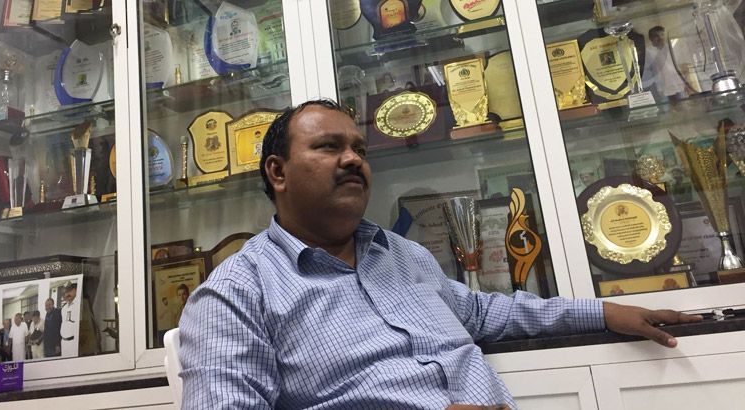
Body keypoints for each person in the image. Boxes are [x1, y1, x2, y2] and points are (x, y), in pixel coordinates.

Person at [179, 100, 701, 408]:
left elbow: (487, 312)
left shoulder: (400, 255)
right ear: (278, 172)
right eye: (329, 147)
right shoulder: (235, 296)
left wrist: (603, 312)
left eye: (360, 149)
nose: (353, 160)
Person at [641, 26, 686, 102]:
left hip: (678, 84)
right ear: (651, 38)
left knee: (683, 105)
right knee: (665, 108)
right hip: (661, 88)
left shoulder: (671, 47)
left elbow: (680, 64)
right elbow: (648, 72)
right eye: (656, 36)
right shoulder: (648, 52)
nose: (660, 38)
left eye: (662, 35)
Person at [60, 283, 81, 358]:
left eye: (70, 291)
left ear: (76, 290)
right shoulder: (64, 308)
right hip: (63, 342)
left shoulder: (79, 305)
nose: (67, 294)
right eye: (66, 292)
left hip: (73, 342)